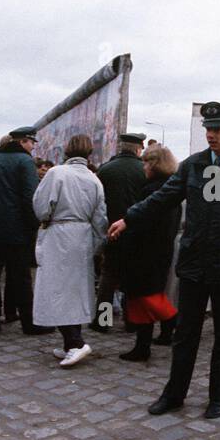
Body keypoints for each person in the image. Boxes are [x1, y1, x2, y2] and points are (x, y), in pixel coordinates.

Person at [109, 102, 220, 419]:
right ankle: (174, 395)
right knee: (185, 335)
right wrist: (129, 219)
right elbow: (162, 198)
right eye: (207, 129)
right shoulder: (193, 166)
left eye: (217, 129)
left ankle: (217, 398)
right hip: (194, 264)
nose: (210, 135)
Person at [32, 134, 107, 367]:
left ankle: (75, 342)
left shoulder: (56, 173)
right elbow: (101, 219)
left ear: (66, 151)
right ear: (89, 153)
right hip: (82, 236)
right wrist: (94, 245)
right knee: (74, 291)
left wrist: (48, 220)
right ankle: (70, 342)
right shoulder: (94, 179)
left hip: (59, 234)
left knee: (55, 288)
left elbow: (41, 206)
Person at [0, 127, 45, 336]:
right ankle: (28, 323)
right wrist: (33, 226)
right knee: (21, 278)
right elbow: (30, 198)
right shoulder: (25, 162)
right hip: (18, 232)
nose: (33, 147)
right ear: (23, 141)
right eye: (32, 142)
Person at [117, 145, 182, 361]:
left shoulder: (153, 190)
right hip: (160, 250)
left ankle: (169, 324)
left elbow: (143, 223)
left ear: (153, 164)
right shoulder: (170, 188)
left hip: (145, 252)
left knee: (146, 297)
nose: (143, 166)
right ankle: (145, 343)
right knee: (144, 297)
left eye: (146, 162)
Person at [95, 132, 147, 329]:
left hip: (111, 230)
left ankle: (103, 321)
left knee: (108, 278)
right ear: (137, 148)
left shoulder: (105, 169)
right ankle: (131, 321)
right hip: (136, 232)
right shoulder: (143, 169)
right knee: (133, 279)